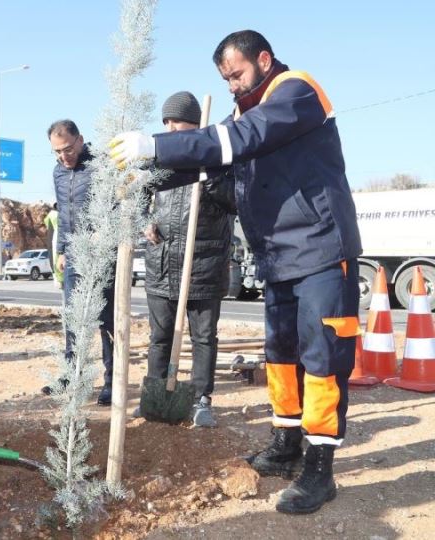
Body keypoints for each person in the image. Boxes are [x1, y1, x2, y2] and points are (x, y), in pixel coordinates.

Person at [110, 30, 361, 515]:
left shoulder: (296, 92)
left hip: (321, 249)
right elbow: (212, 162)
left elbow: (238, 140)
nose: (230, 85)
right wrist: (145, 172)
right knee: (281, 354)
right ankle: (286, 442)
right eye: (224, 79)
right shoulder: (245, 114)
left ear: (263, 59)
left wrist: (155, 144)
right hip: (277, 255)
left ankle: (320, 465)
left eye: (236, 74)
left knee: (323, 356)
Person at [135, 91, 236, 427]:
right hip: (162, 265)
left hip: (203, 267)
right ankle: (155, 394)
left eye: (177, 122)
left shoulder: (218, 160)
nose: (170, 128)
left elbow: (236, 201)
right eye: (166, 122)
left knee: (204, 337)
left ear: (196, 125)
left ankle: (201, 398)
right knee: (159, 336)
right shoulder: (158, 161)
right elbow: (137, 201)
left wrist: (209, 180)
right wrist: (143, 223)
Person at [46, 119, 116, 406]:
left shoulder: (100, 165)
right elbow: (64, 214)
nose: (64, 156)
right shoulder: (58, 173)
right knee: (74, 319)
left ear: (80, 140)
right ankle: (71, 377)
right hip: (74, 254)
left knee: (106, 319)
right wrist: (62, 250)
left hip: (101, 254)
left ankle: (112, 381)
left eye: (68, 149)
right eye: (58, 152)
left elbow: (116, 203)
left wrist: (104, 230)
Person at [43, 202, 64, 289]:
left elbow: (50, 246)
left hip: (59, 266)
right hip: (61, 267)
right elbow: (52, 246)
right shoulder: (56, 217)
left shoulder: (51, 216)